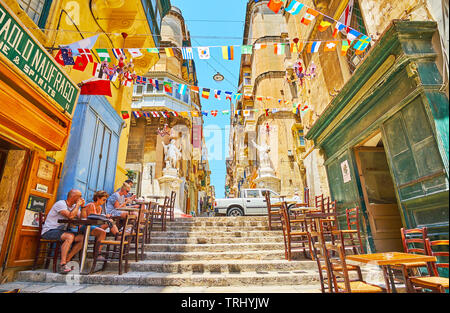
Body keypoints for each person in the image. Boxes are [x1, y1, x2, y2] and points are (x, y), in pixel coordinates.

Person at [41, 189, 85, 274]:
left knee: (82, 238)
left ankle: (67, 260)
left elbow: (82, 218)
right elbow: (71, 216)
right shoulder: (60, 204)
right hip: (49, 231)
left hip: (62, 231)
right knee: (70, 236)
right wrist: (78, 206)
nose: (81, 198)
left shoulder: (74, 207)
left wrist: (82, 207)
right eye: (79, 196)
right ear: (73, 197)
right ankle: (62, 265)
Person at [80, 191, 119, 260]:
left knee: (110, 222)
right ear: (98, 198)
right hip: (86, 226)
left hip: (94, 226)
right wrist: (104, 218)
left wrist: (105, 218)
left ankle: (117, 235)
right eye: (103, 199)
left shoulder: (100, 208)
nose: (104, 201)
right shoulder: (91, 205)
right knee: (104, 230)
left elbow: (98, 220)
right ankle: (98, 253)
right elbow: (92, 219)